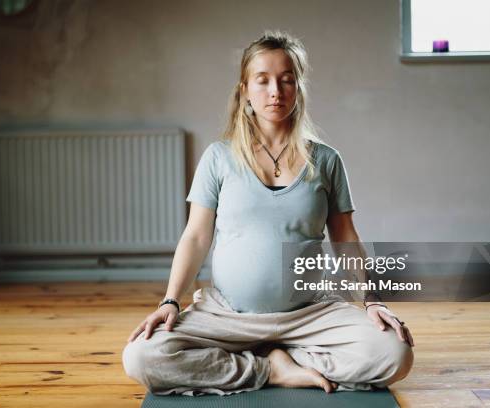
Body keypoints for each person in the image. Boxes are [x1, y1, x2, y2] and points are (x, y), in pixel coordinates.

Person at [123, 31, 414, 396]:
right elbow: (196, 237)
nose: (275, 90)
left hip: (309, 314)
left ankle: (292, 357)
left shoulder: (325, 160)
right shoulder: (218, 157)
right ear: (245, 89)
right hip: (227, 315)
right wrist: (170, 301)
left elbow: (345, 238)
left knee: (395, 353)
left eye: (286, 79)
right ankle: (269, 367)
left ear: (298, 88)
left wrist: (372, 300)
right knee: (141, 357)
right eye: (262, 80)